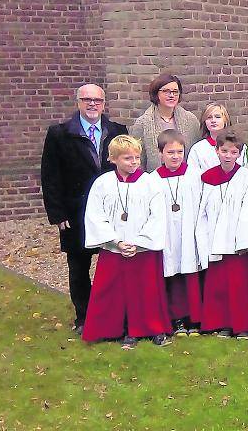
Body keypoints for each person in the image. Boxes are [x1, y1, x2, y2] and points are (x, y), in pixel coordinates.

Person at [41, 83, 128, 334]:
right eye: (87, 100)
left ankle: (113, 311)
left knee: (113, 262)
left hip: (111, 210)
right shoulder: (59, 134)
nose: (92, 104)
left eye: (97, 100)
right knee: (78, 266)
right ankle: (84, 316)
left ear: (104, 103)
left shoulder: (117, 131)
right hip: (76, 210)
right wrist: (57, 213)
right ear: (78, 101)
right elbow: (51, 176)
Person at [80, 135, 170, 348]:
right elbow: (95, 216)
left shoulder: (150, 183)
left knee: (148, 291)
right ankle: (121, 328)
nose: (134, 162)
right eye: (128, 158)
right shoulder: (102, 184)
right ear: (114, 159)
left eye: (137, 158)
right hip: (115, 249)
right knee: (115, 291)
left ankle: (154, 328)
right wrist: (116, 242)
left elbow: (157, 216)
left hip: (144, 249)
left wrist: (138, 243)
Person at [197, 128, 248, 338]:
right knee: (220, 286)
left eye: (233, 152)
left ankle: (243, 325)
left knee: (240, 285)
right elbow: (202, 210)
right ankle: (223, 323)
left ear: (239, 154)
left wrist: (242, 238)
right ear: (216, 151)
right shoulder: (207, 178)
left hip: (237, 240)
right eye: (224, 151)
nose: (228, 155)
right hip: (215, 237)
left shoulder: (245, 176)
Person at [149, 130, 204, 336]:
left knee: (190, 272)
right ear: (160, 153)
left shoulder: (195, 175)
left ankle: (195, 317)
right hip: (167, 233)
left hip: (189, 230)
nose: (175, 156)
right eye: (170, 152)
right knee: (171, 272)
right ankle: (176, 317)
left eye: (180, 151)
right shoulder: (153, 180)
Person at [129, 73, 201, 172]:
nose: (171, 95)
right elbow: (138, 161)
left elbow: (196, 154)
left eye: (175, 92)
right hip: (155, 181)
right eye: (166, 91)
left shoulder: (191, 121)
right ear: (156, 93)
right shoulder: (142, 124)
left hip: (185, 179)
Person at [187, 103, 248, 171]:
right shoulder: (197, 149)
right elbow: (192, 174)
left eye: (217, 117)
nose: (213, 121)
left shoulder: (239, 145)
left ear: (225, 120)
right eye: (209, 117)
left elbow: (245, 171)